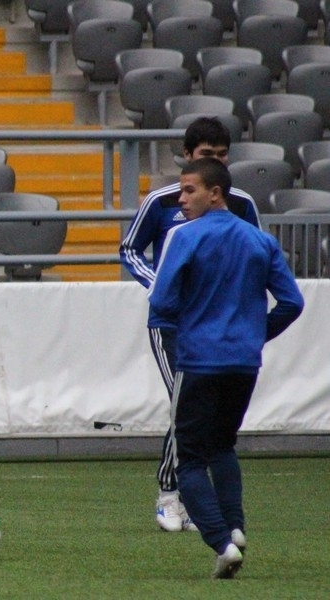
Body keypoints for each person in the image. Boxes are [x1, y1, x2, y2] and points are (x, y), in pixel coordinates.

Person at [148, 158, 303, 578]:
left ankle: (221, 542)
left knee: (190, 460)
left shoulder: (184, 236)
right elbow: (292, 302)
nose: (181, 200)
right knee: (222, 446)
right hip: (244, 362)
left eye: (189, 190)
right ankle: (235, 528)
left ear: (215, 193)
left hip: (199, 360)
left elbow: (160, 302)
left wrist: (192, 323)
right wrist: (256, 333)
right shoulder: (259, 240)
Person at [119, 117, 260, 532]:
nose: (216, 160)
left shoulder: (242, 204)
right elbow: (130, 249)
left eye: (222, 155)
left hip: (216, 325)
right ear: (187, 156)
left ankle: (198, 502)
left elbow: (255, 254)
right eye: (206, 154)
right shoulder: (163, 201)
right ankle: (169, 492)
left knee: (204, 411)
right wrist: (159, 284)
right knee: (184, 404)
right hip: (171, 323)